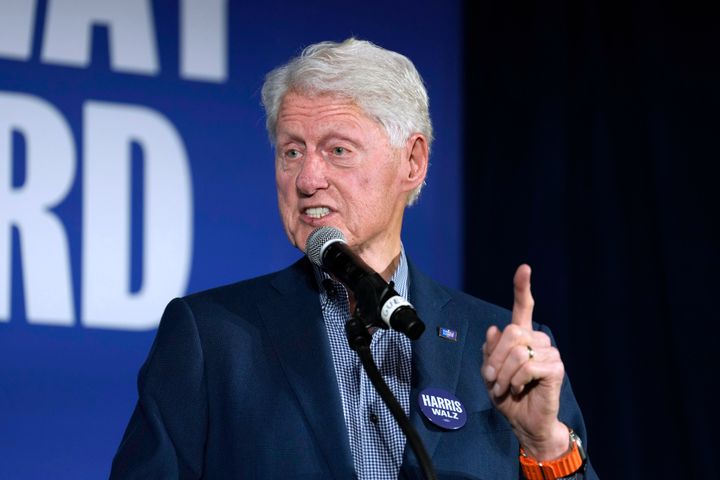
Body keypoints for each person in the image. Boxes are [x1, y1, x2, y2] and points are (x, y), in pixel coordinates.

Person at [110, 38, 598, 479]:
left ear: (412, 162)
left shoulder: (500, 351)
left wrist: (545, 446)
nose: (306, 179)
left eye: (337, 150)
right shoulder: (211, 338)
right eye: (291, 152)